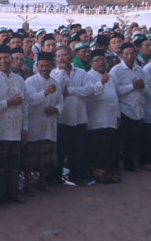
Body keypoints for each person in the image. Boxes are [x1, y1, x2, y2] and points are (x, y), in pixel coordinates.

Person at [0, 44, 28, 207]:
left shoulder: (20, 80)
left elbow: (25, 106)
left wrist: (25, 128)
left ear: (12, 59)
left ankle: (13, 193)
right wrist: (7, 103)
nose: (4, 61)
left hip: (16, 129)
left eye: (6, 58)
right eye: (0, 58)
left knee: (14, 165)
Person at [51, 45, 94, 186]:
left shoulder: (81, 72)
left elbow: (89, 90)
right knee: (60, 151)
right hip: (62, 119)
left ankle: (77, 176)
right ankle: (56, 178)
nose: (62, 58)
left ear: (71, 56)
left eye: (65, 55)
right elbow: (56, 94)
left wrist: (70, 90)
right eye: (59, 56)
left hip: (80, 117)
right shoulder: (53, 75)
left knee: (79, 150)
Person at [22, 51, 62, 193]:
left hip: (50, 124)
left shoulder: (56, 83)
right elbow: (31, 100)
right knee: (30, 160)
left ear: (52, 66)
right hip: (34, 123)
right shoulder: (30, 81)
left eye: (48, 66)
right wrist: (45, 93)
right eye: (42, 66)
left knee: (46, 158)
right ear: (37, 66)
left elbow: (61, 102)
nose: (45, 68)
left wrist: (56, 109)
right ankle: (28, 184)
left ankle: (42, 182)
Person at [110, 42, 148, 171]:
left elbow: (145, 90)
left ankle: (130, 164)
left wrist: (141, 87)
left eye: (132, 53)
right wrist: (132, 86)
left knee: (133, 139)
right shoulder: (116, 70)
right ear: (121, 55)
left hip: (137, 108)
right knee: (122, 140)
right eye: (126, 53)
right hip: (124, 109)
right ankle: (120, 166)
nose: (129, 56)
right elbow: (115, 91)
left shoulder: (139, 70)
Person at [85, 49, 121, 183]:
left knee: (110, 148)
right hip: (96, 120)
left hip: (110, 119)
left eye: (103, 60)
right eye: (97, 60)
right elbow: (92, 93)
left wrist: (117, 115)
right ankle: (98, 173)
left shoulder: (108, 76)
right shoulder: (88, 76)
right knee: (97, 149)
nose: (101, 62)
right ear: (91, 63)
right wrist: (101, 82)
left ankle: (109, 171)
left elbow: (114, 96)